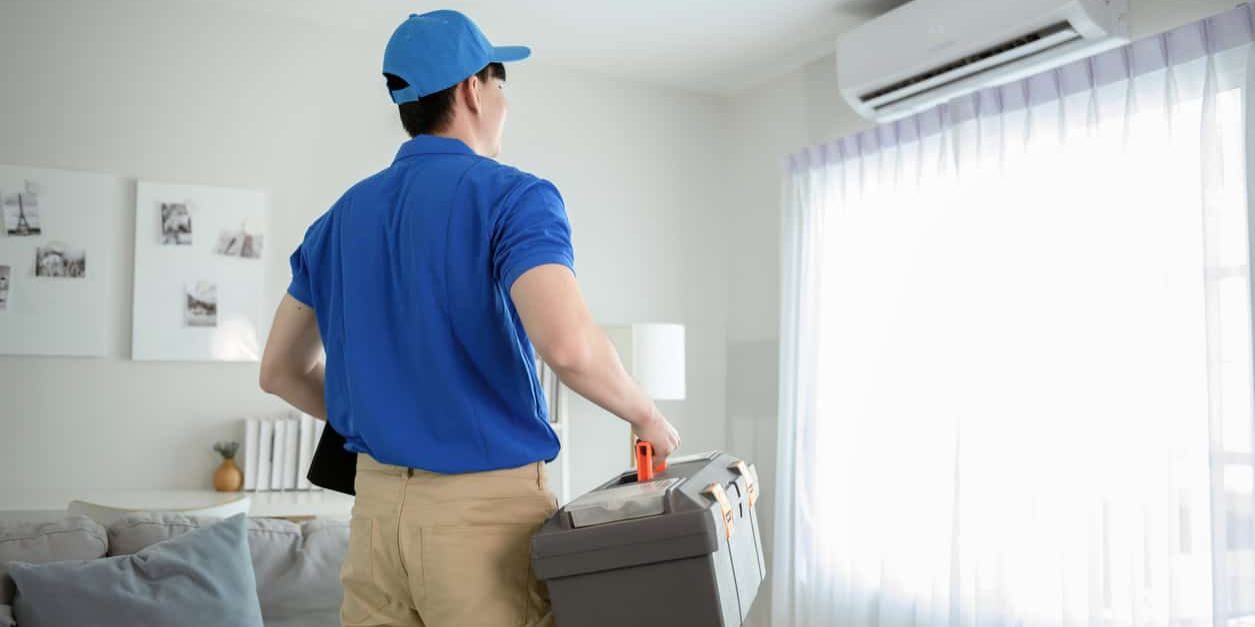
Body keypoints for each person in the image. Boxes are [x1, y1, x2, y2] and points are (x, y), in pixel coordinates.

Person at [258, 9, 681, 627]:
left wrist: (387, 411)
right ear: (470, 89)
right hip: (480, 525)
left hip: (375, 521)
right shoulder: (514, 196)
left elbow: (278, 371)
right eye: (500, 80)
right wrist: (647, 415)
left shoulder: (338, 220)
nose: (505, 100)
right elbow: (567, 346)